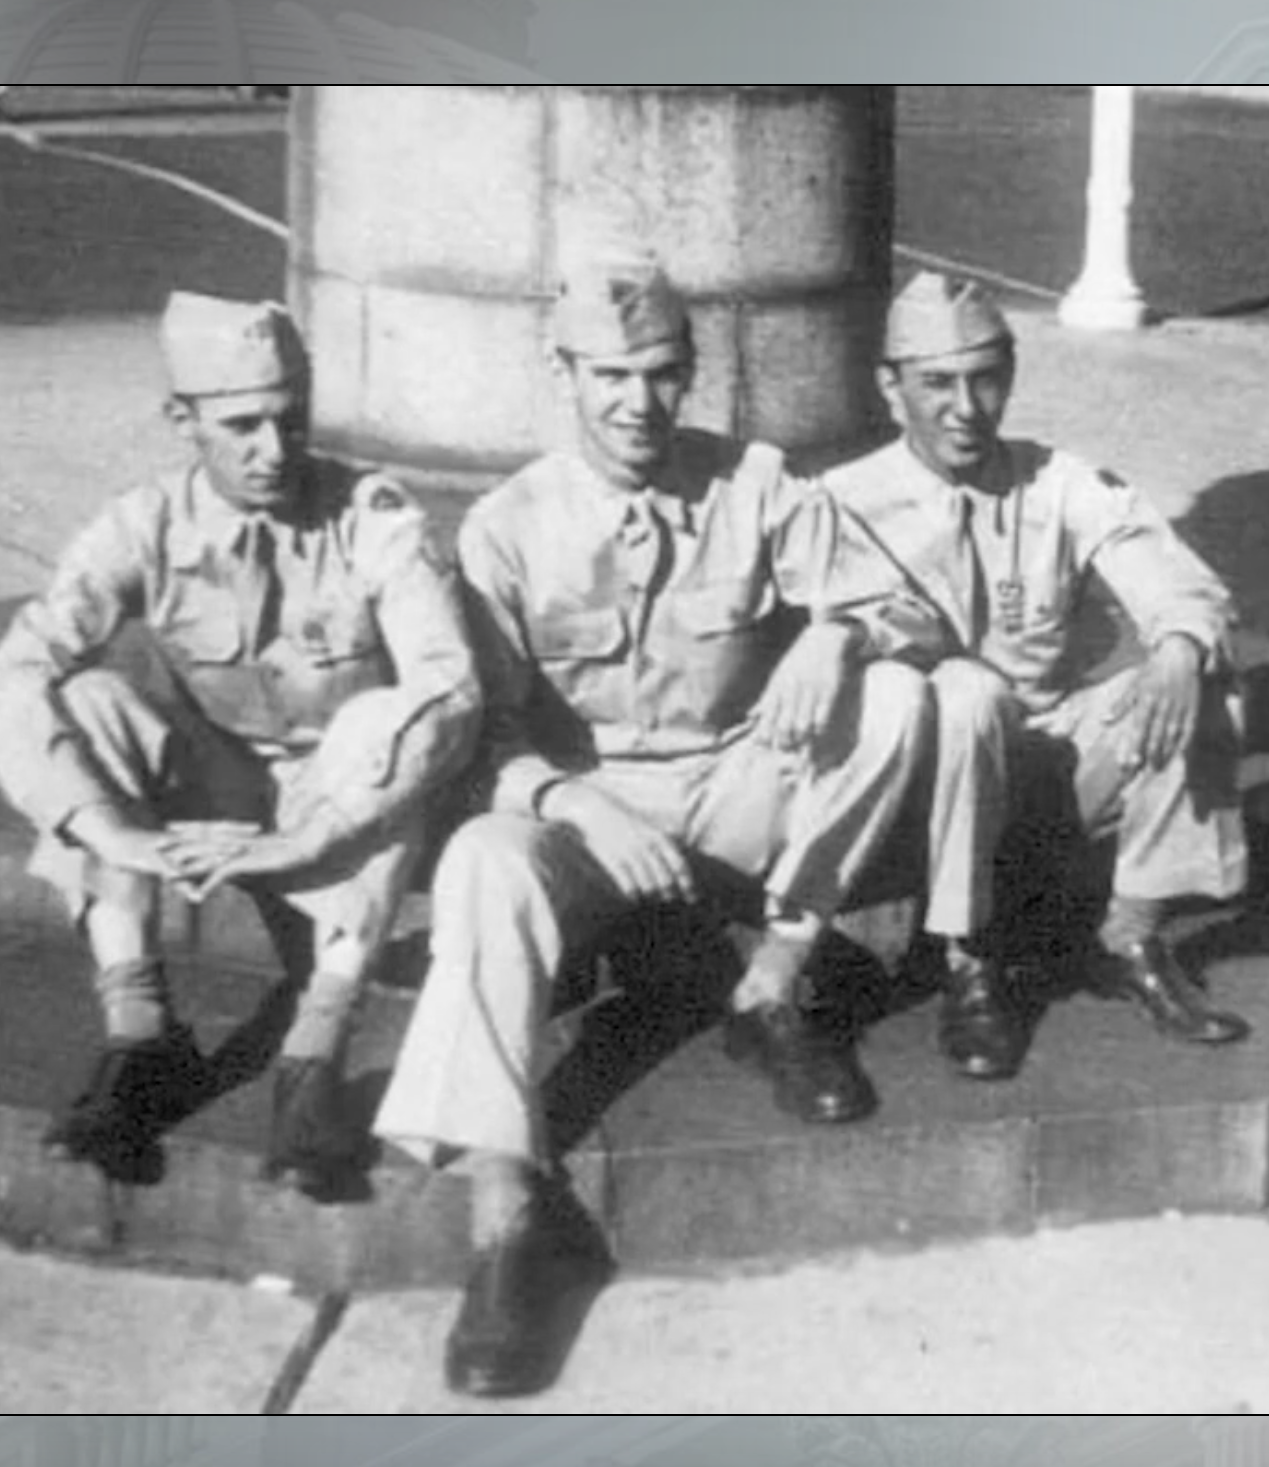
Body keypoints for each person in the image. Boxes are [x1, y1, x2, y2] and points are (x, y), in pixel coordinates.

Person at [372, 253, 931, 1397]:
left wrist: (839, 636)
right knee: (480, 858)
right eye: (611, 376)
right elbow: (478, 739)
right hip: (588, 815)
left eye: (662, 374)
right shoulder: (505, 528)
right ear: (564, 374)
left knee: (898, 697)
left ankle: (771, 987)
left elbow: (907, 606)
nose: (639, 403)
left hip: (734, 787)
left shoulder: (754, 482)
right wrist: (572, 799)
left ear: (688, 374)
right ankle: (503, 1211)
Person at [0, 292, 480, 1195]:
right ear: (183, 420)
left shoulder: (373, 517)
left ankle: (313, 1058)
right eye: (242, 426)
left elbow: (450, 687)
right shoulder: (143, 523)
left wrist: (309, 834)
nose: (273, 450)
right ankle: (141, 1034)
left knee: (387, 727)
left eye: (290, 419)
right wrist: (107, 829)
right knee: (85, 702)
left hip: (335, 793)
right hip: (221, 782)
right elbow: (14, 671)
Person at [820, 271, 1253, 1082]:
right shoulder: (842, 504)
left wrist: (1175, 646)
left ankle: (1129, 933)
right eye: (937, 383)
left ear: (1011, 375)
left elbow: (1171, 574)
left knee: (1207, 686)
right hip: (917, 798)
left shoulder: (1058, 482)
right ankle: (969, 960)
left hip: (1041, 759)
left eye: (985, 379)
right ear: (889, 386)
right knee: (966, 692)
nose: (965, 406)